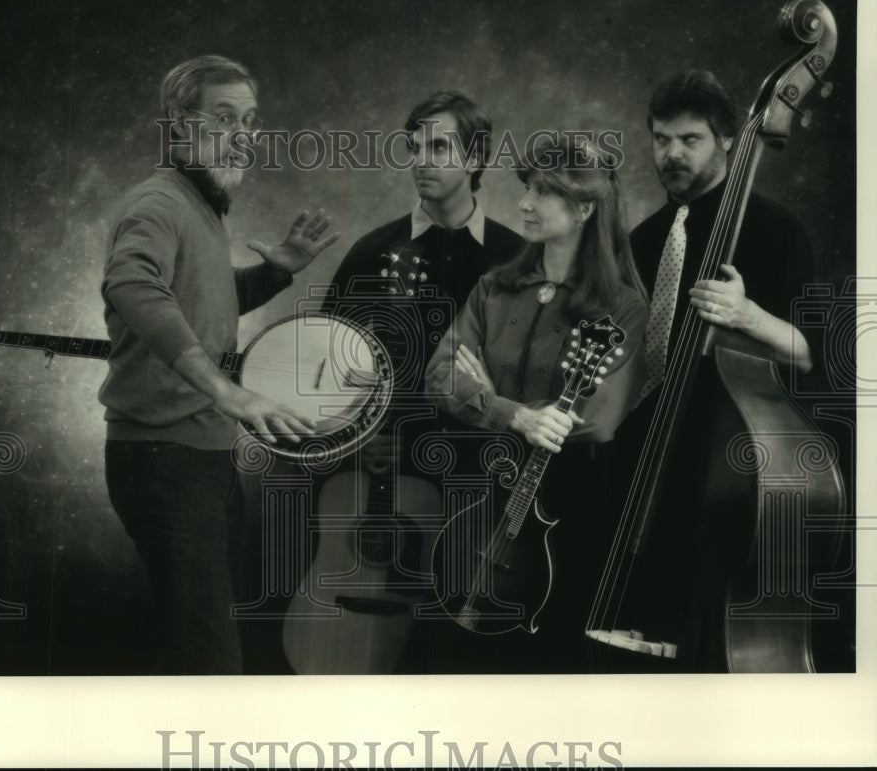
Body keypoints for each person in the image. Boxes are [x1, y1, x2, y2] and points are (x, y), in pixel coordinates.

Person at [98, 54, 338, 674]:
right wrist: (228, 393)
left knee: (205, 645)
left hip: (203, 459)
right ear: (179, 125)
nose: (242, 134)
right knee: (210, 663)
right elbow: (132, 285)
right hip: (161, 462)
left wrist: (277, 271)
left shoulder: (201, 206)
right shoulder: (159, 203)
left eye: (251, 120)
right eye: (223, 117)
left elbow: (203, 300)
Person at [309, 92, 524, 672]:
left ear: (476, 156)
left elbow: (535, 377)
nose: (421, 160)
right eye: (414, 147)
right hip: (385, 475)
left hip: (481, 481)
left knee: (458, 652)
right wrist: (357, 439)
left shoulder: (519, 257)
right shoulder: (372, 252)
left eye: (439, 146)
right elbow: (327, 370)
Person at [612, 69, 820, 670]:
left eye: (690, 139)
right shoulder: (642, 241)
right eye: (660, 139)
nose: (671, 153)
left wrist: (748, 315)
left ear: (729, 139)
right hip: (645, 466)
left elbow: (814, 353)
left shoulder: (776, 231)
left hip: (729, 469)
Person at [424, 134, 648, 671]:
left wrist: (480, 394)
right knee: (452, 646)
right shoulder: (495, 288)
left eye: (543, 192)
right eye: (526, 188)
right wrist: (515, 414)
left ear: (584, 208)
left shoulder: (622, 305)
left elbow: (594, 421)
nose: (524, 203)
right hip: (478, 490)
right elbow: (438, 375)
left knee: (542, 655)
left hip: (567, 507)